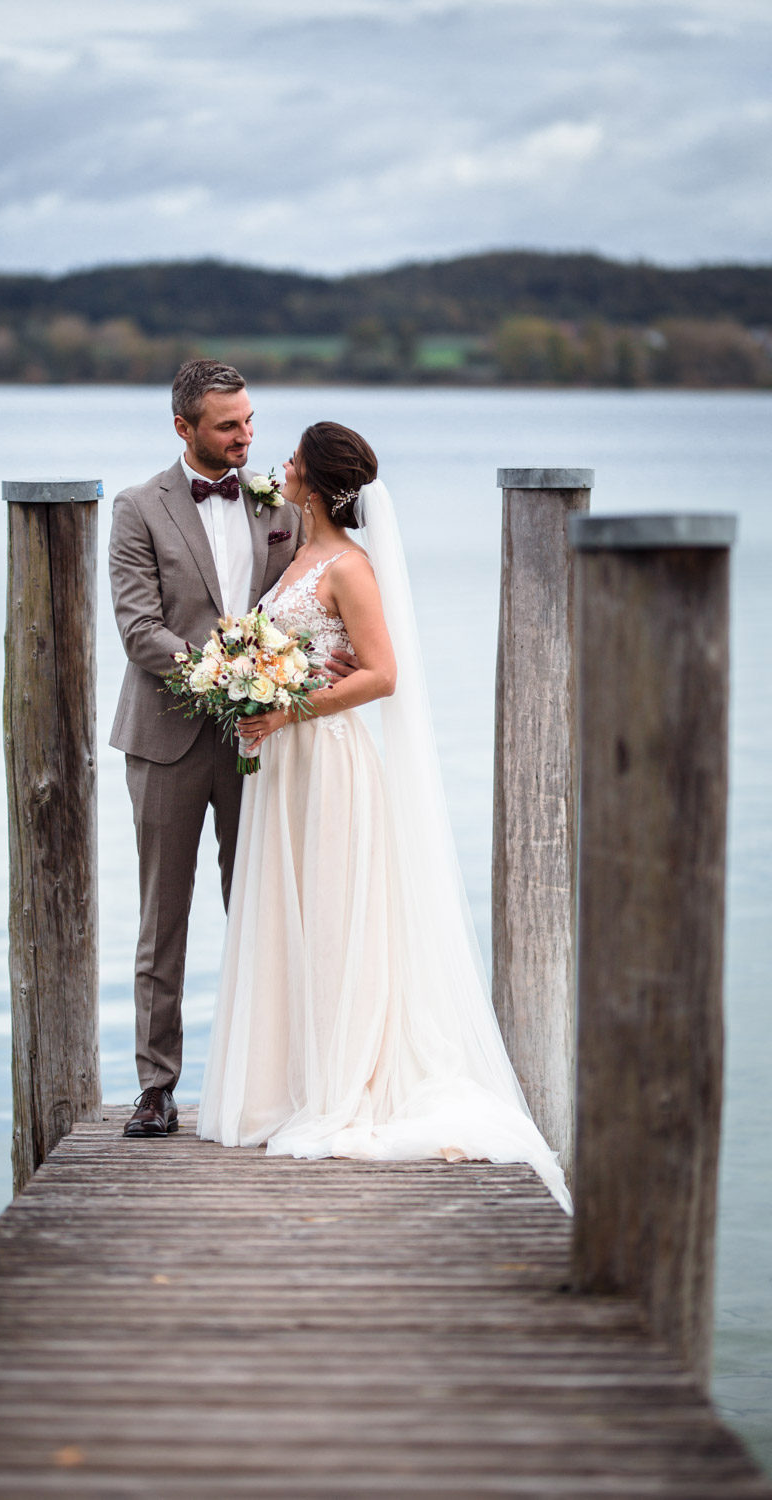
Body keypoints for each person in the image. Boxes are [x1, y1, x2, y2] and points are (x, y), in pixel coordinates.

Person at [196, 421, 572, 1212]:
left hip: (327, 763)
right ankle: (284, 1080)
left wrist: (285, 706)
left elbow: (383, 675)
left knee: (336, 920)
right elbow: (300, 653)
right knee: (286, 917)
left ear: (316, 482)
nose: (281, 465)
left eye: (294, 459)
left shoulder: (350, 567)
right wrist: (248, 681)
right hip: (280, 768)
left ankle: (343, 1079)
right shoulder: (296, 555)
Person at [109, 362, 354, 1139]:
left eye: (250, 421)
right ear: (184, 428)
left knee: (264, 906)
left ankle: (272, 1081)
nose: (246, 437)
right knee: (163, 918)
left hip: (264, 740)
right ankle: (157, 1089)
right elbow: (139, 629)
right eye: (228, 426)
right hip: (167, 739)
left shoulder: (279, 503)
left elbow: (316, 596)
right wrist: (224, 674)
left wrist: (315, 670)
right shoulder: (137, 508)